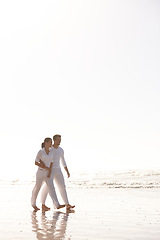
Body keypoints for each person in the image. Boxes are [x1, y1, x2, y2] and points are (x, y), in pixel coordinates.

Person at [41, 134, 75, 211]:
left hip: (58, 170)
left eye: (60, 140)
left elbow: (63, 161)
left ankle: (67, 204)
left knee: (62, 186)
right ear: (54, 140)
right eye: (58, 140)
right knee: (48, 187)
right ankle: (44, 204)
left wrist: (67, 171)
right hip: (50, 170)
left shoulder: (61, 150)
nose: (59, 141)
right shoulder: (50, 149)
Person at [31, 137, 65, 211]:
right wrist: (44, 167)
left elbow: (52, 162)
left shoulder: (51, 152)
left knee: (52, 188)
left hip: (48, 173)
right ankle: (33, 204)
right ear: (46, 143)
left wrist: (49, 172)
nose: (51, 143)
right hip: (40, 172)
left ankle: (57, 204)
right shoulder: (40, 151)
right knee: (38, 187)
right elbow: (36, 162)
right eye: (50, 142)